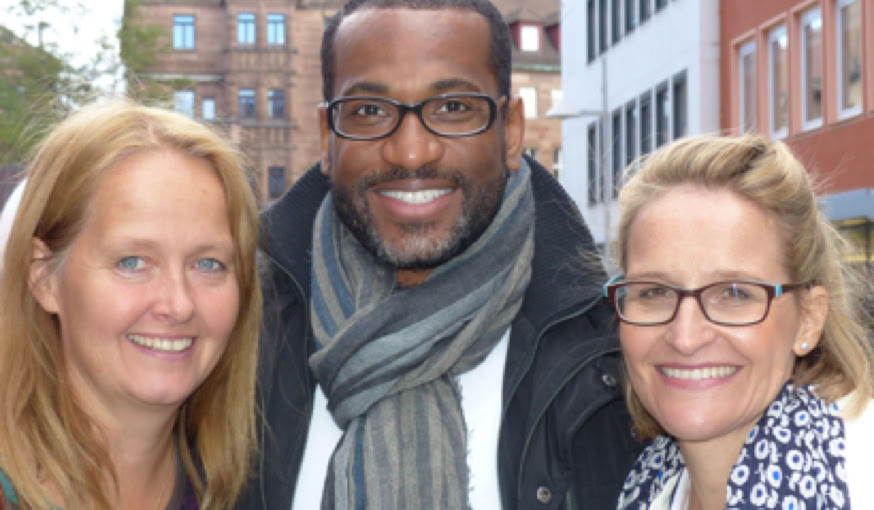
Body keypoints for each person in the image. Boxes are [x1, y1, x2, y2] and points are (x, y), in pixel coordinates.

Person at [239, 0, 643, 508]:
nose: (411, 152)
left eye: (453, 108)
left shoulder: (617, 351)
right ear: (327, 136)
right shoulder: (238, 336)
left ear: (511, 131)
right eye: (369, 111)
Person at [0, 99, 261, 509]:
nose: (178, 304)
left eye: (208, 264)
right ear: (44, 277)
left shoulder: (238, 490)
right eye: (133, 262)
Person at [605, 134, 874, 509]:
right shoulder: (643, 487)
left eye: (733, 293)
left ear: (808, 320)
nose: (685, 337)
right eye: (654, 291)